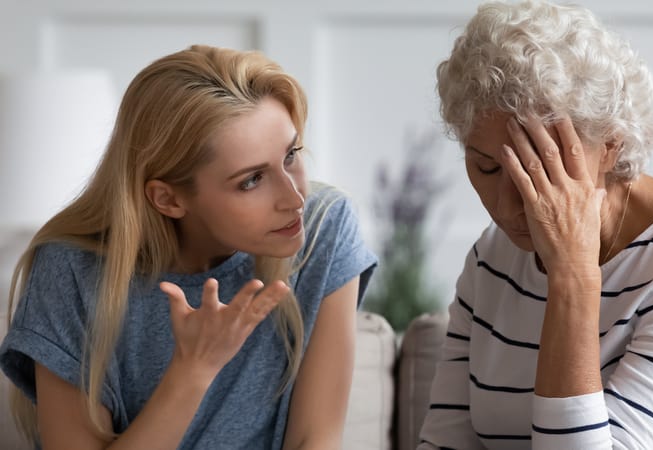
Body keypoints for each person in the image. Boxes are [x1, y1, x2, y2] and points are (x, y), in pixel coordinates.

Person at [418, 1, 653, 449]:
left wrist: (572, 275)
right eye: (487, 168)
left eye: (539, 171)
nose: (510, 205)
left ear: (610, 143)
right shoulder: (494, 257)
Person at [0, 45, 377, 449]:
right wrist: (194, 369)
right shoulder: (71, 271)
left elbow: (315, 440)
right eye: (251, 180)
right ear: (168, 199)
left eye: (290, 155)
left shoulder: (324, 228)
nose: (294, 198)